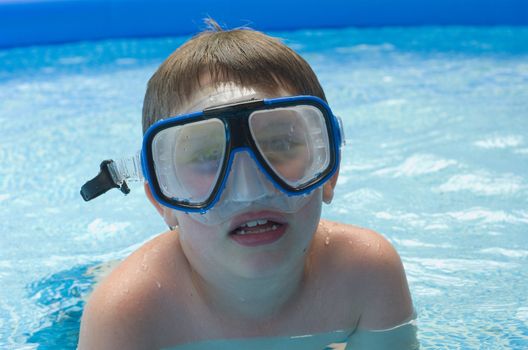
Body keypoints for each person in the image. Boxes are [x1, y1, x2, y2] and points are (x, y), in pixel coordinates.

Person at [77, 19, 414, 350]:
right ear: (163, 201)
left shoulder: (366, 275)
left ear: (329, 172)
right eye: (208, 156)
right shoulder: (129, 312)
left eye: (280, 144)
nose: (250, 190)